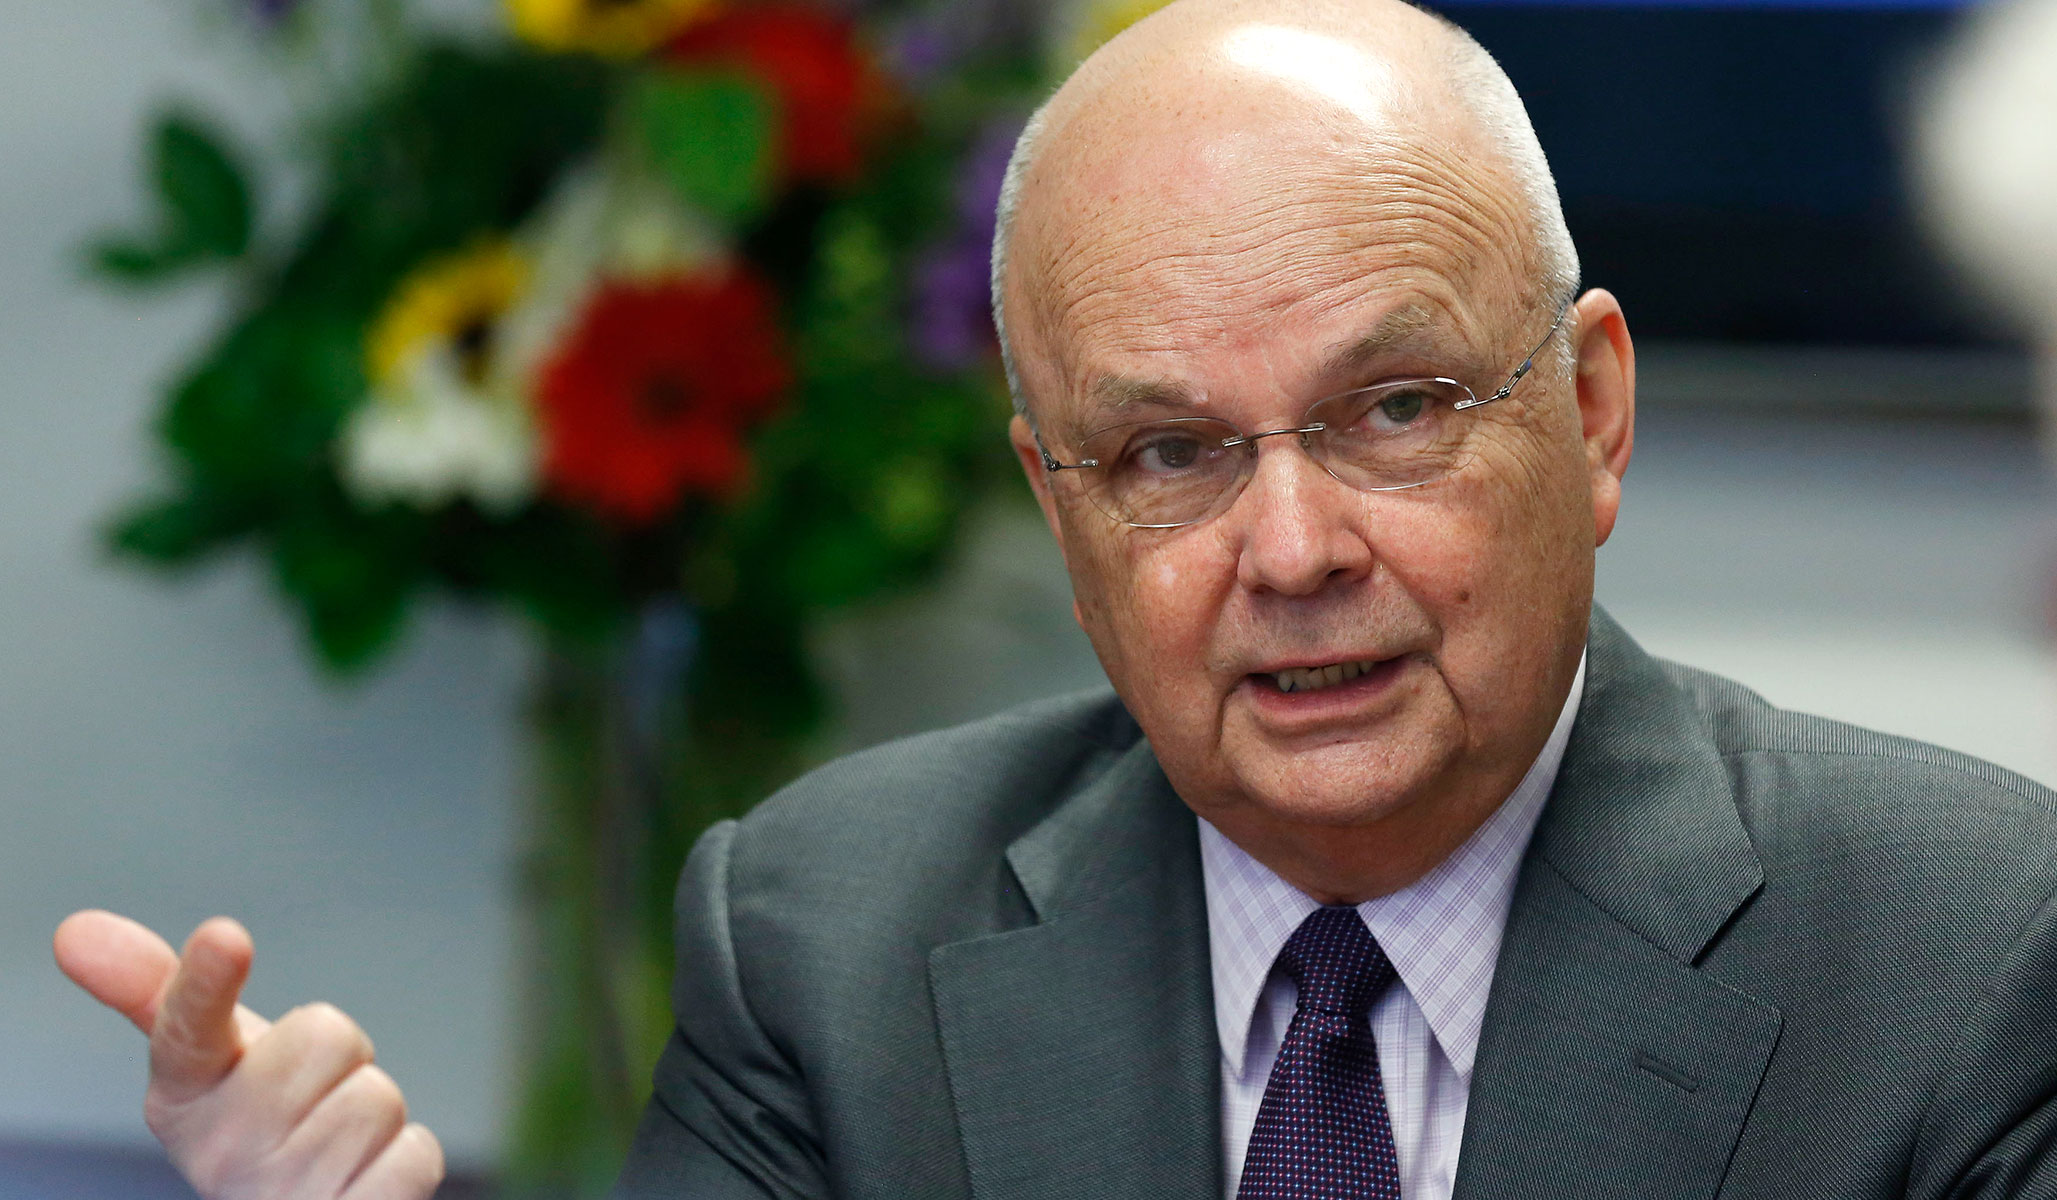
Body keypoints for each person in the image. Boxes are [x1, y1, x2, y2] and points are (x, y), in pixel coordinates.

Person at [57, 0, 2057, 1196]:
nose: (1293, 549)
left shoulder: (1969, 956)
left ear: (1593, 412)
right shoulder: (825, 938)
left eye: (1394, 411)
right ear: (1054, 498)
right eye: (1171, 453)